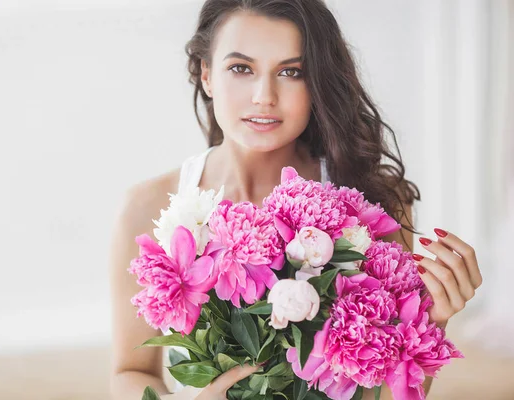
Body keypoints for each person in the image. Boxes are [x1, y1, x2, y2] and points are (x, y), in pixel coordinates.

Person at [109, 1, 483, 399]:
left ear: (317, 82)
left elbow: (393, 393)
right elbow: (129, 372)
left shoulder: (371, 205)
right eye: (240, 68)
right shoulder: (146, 208)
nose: (264, 96)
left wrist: (434, 321)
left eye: (291, 72)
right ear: (206, 74)